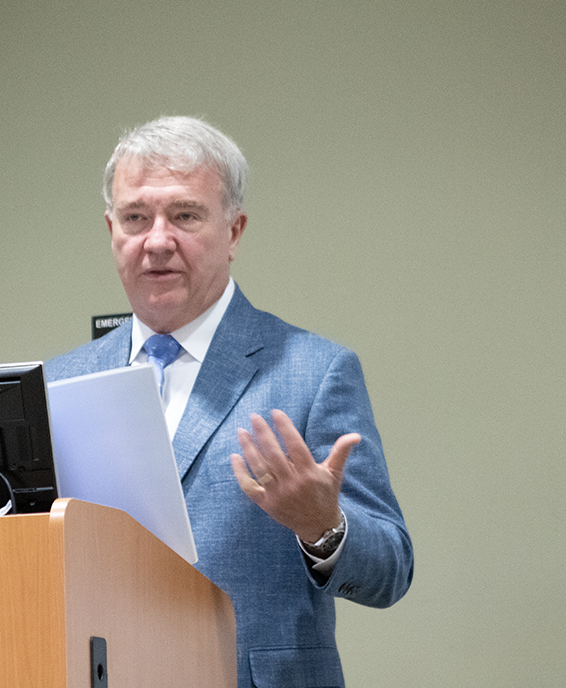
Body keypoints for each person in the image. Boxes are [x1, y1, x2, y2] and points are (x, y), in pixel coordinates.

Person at [45, 116, 413, 687]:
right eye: (135, 217)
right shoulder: (60, 382)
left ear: (234, 231)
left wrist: (325, 527)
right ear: (111, 229)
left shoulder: (313, 371)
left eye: (185, 215)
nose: (157, 240)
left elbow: (391, 568)